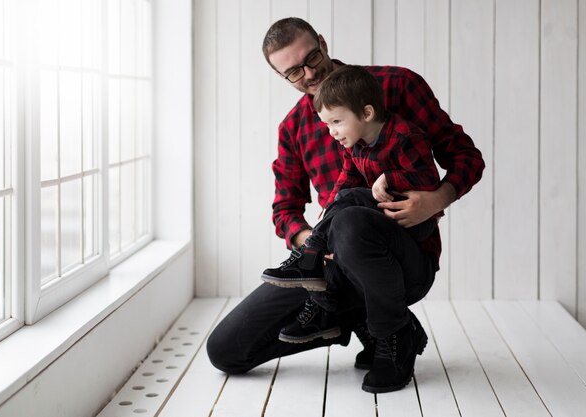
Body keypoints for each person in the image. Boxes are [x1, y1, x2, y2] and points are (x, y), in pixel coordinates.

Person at [207, 17, 485, 393]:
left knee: (352, 221)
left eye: (312, 57)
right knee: (226, 350)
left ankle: (383, 328)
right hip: (331, 267)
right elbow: (284, 211)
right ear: (282, 77)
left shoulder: (397, 85)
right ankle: (369, 320)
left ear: (322, 41)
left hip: (402, 258)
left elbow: (466, 155)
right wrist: (312, 243)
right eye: (293, 72)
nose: (308, 73)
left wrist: (437, 199)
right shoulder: (293, 128)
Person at [261, 66, 443, 358]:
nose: (332, 132)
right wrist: (324, 221)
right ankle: (322, 301)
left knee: (351, 206)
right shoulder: (354, 144)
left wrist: (390, 178)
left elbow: (429, 179)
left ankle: (390, 332)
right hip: (363, 231)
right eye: (293, 71)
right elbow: (341, 181)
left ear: (366, 114)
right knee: (344, 203)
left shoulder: (404, 135)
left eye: (336, 122)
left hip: (410, 225)